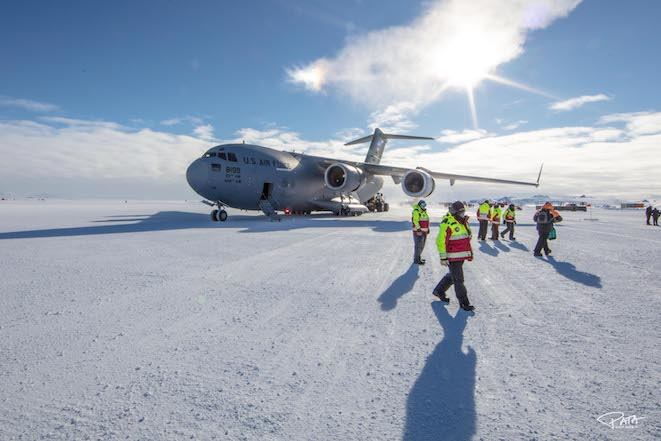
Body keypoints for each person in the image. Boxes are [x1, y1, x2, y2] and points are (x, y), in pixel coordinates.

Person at [433, 201, 475, 311]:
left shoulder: (462, 221)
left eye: (463, 211)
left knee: (453, 276)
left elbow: (467, 236)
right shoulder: (447, 223)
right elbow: (440, 241)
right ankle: (464, 303)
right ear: (454, 212)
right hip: (452, 256)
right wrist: (443, 257)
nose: (463, 214)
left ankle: (439, 290)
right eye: (460, 212)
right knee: (459, 280)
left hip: (460, 255)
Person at [412, 200, 430, 264]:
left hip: (424, 232)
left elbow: (426, 221)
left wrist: (428, 229)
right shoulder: (416, 211)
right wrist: (418, 229)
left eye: (424, 205)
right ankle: (416, 260)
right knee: (418, 246)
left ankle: (418, 257)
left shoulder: (424, 212)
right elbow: (415, 220)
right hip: (418, 232)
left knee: (422, 246)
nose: (424, 206)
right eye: (422, 205)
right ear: (419, 205)